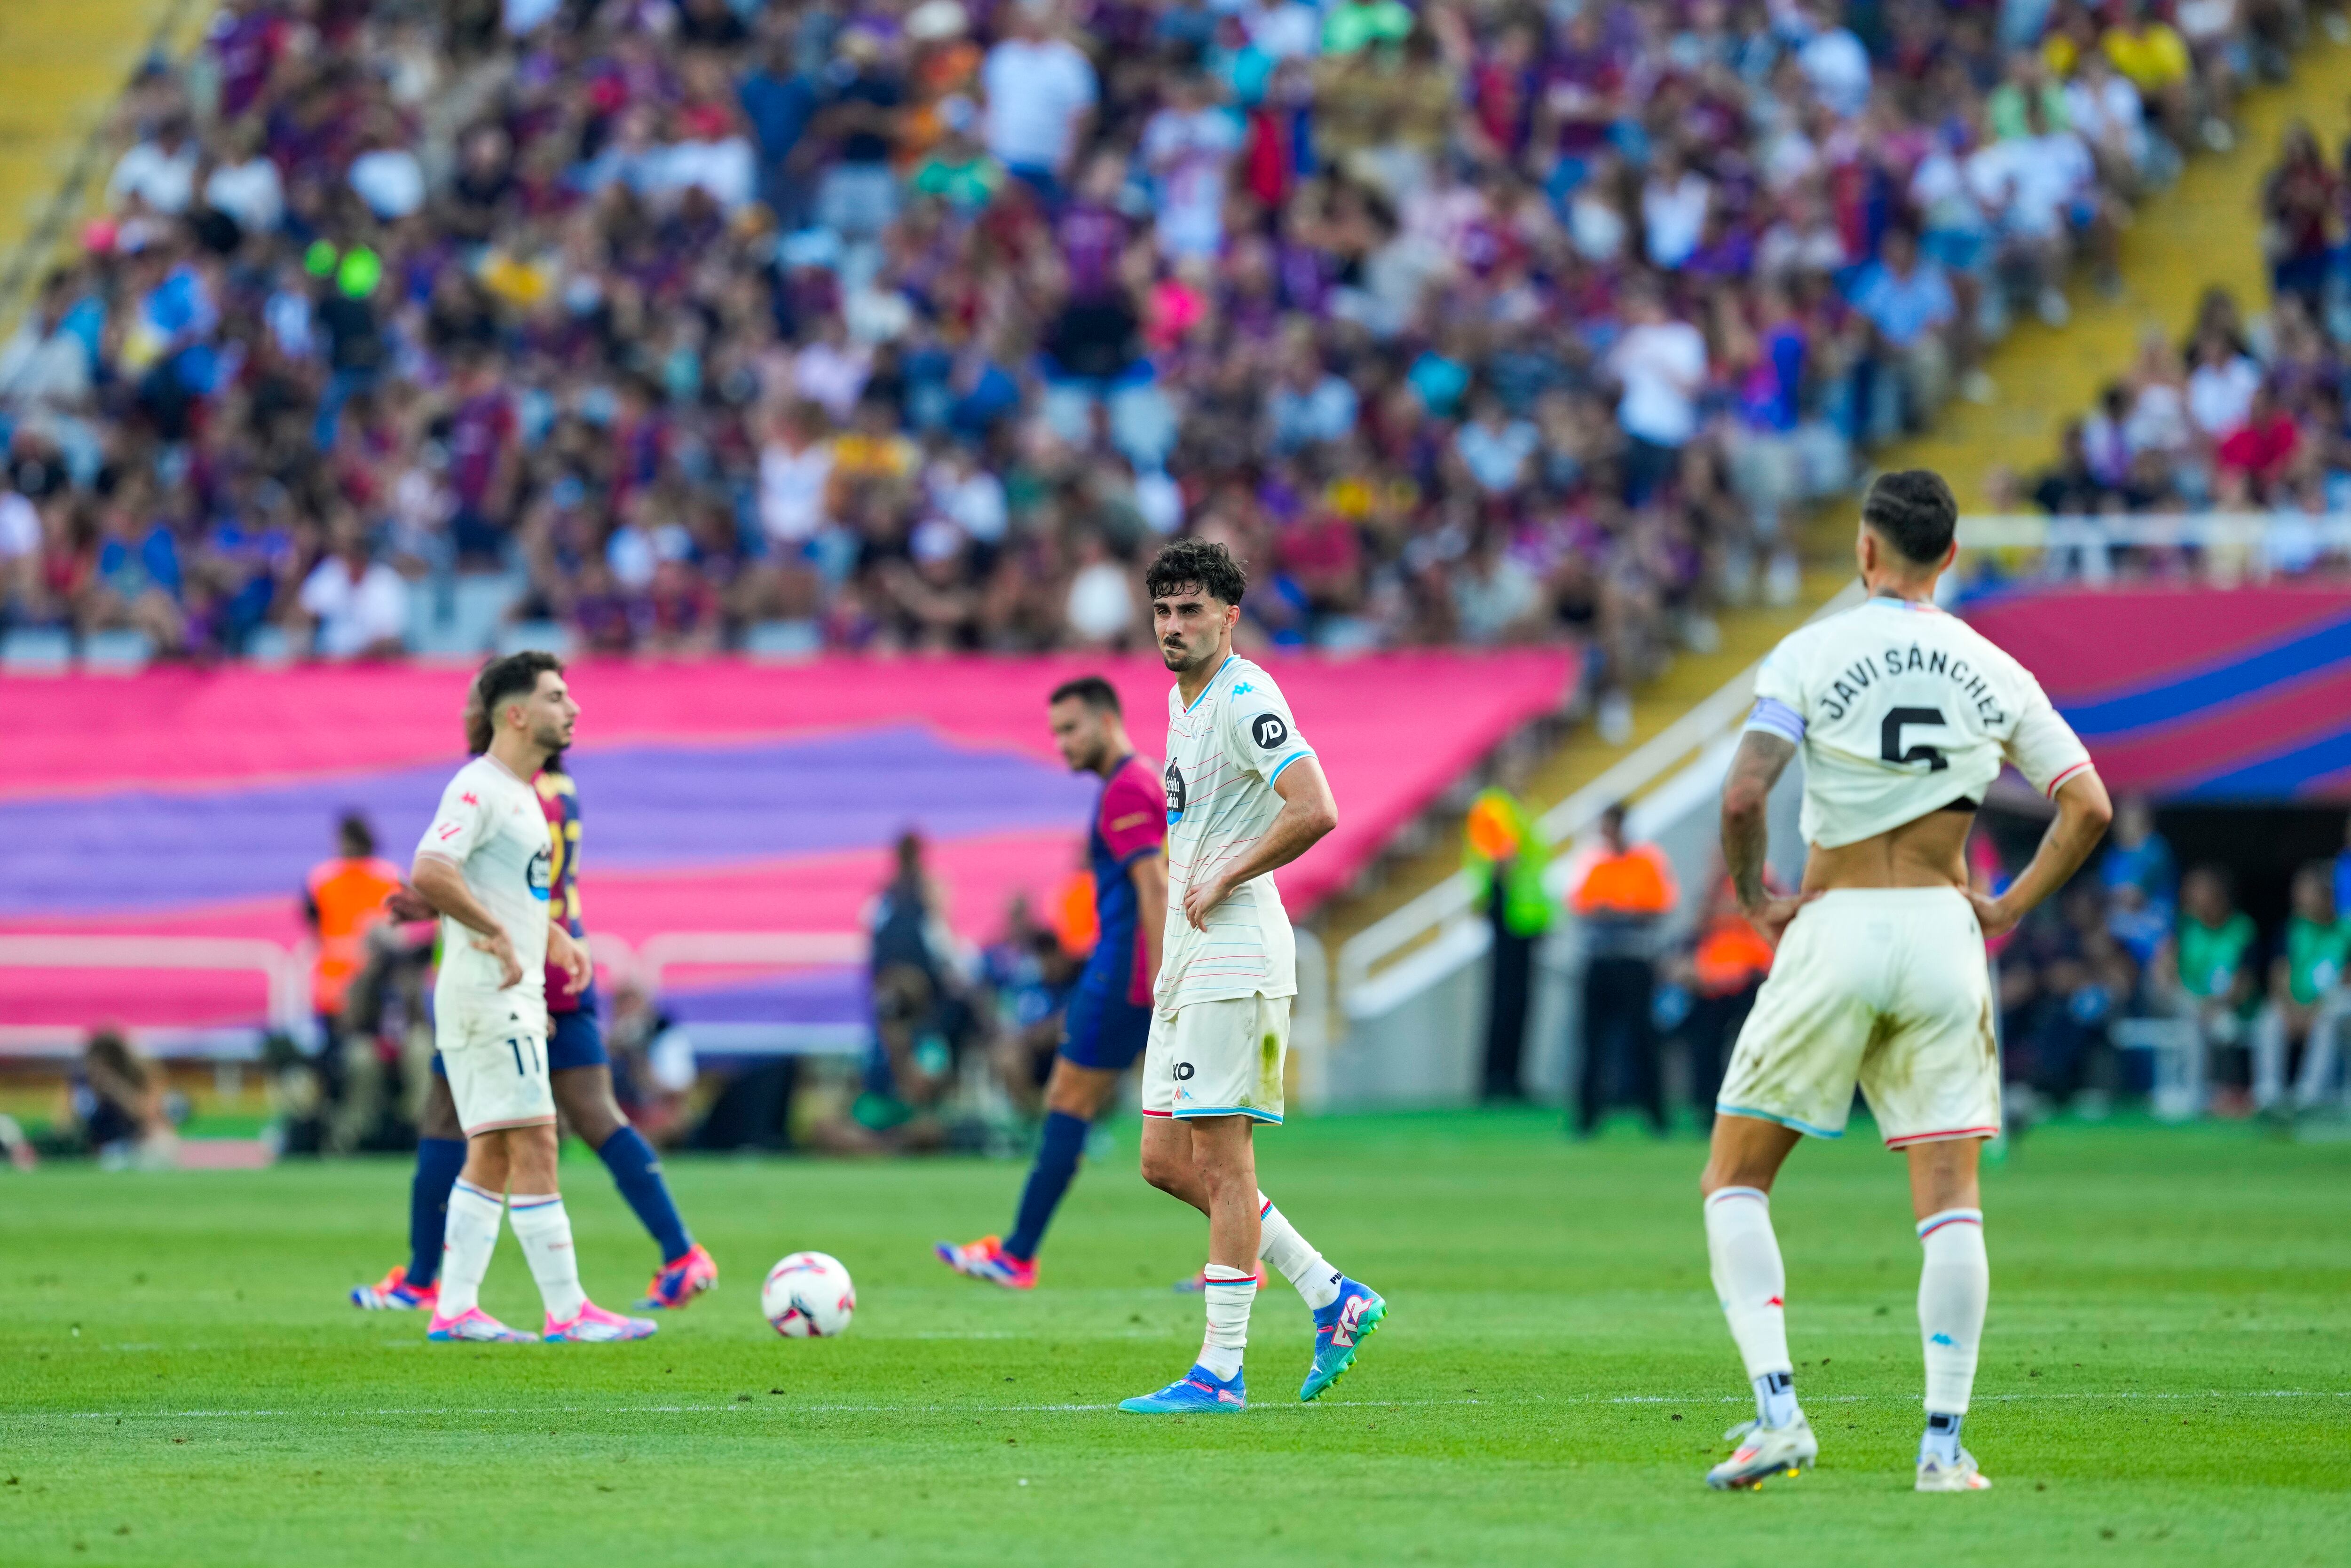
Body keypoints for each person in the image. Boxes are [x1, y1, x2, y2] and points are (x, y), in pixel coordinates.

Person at [1699, 470, 2111, 1492]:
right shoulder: (1993, 665)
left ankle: (1778, 1412)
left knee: (1735, 1178)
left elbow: (1747, 790)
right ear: (1950, 557)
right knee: (1949, 1201)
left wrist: (1755, 898)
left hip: (1835, 920)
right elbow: (2088, 803)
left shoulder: (1812, 650)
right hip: (1941, 926)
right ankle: (1940, 1446)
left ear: (1865, 551)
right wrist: (2009, 903)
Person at [1118, 538, 1385, 1414]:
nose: (1173, 626)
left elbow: (1317, 806)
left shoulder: (1244, 696)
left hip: (1239, 954)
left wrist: (1230, 872)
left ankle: (1220, 1372)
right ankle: (1329, 1293)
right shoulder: (1178, 700)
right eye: (1163, 611)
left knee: (1226, 1164)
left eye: (1191, 610)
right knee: (1164, 1159)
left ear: (1229, 617)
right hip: (1189, 960)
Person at [353, 677, 715, 1315]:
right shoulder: (555, 788)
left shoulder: (515, 791)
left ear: (511, 715)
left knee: (467, 1122)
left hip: (520, 969)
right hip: (552, 956)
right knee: (586, 1117)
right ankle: (678, 1250)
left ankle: (429, 1279)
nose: (470, 712)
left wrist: (455, 913)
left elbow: (509, 892)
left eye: (480, 701)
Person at [396, 651, 655, 1344]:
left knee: (493, 1152)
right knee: (539, 1138)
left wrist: (550, 939)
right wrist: (498, 936)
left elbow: (505, 891)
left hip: (504, 993)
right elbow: (430, 868)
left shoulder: (521, 796)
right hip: (487, 994)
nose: (572, 709)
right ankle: (569, 1310)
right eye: (556, 696)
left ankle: (455, 1307)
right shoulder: (479, 788)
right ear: (516, 713)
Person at [936, 675, 1168, 1287]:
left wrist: (1164, 978)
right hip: (1131, 967)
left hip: (1127, 971)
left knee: (1072, 1101)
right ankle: (1241, 1258)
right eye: (1056, 732)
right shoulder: (1138, 781)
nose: (1062, 743)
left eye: (1071, 728)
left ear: (1106, 719)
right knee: (1189, 1134)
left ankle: (1018, 1253)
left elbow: (1154, 885)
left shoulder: (1125, 789)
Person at [1565, 803, 1678, 1136]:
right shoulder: (1594, 863)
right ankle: (1587, 1117)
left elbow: (1657, 906)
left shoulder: (1647, 861)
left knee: (1644, 1041)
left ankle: (1656, 1116)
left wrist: (1616, 910)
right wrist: (1621, 909)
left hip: (1634, 961)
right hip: (1600, 961)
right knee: (1591, 1042)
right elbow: (1583, 906)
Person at [1463, 763, 1550, 1102]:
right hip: (1506, 908)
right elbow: (1503, 858)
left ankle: (1512, 1076)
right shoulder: (1493, 806)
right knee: (1505, 999)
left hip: (1526, 914)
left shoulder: (1523, 806)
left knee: (1519, 1001)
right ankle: (1496, 1078)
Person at [2250, 863, 2351, 1114]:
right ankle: (2268, 1096)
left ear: (2327, 895)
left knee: (2329, 1016)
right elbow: (2279, 974)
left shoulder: (2347, 929)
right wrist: (2292, 1009)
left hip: (2334, 1006)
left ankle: (2310, 1097)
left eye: (2306, 892)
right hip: (2295, 1006)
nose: (2299, 898)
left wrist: (2315, 1009)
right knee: (2269, 1018)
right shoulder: (2290, 929)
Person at [303, 810, 403, 1061]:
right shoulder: (390, 877)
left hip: (336, 986)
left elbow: (313, 922)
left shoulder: (323, 879)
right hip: (380, 984)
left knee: (337, 1058)